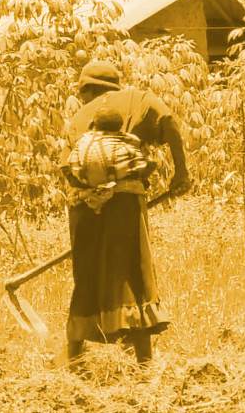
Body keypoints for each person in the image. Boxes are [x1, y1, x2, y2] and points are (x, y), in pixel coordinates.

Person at [61, 60, 190, 366]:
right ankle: (144, 362)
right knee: (132, 272)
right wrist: (181, 174)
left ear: (88, 89)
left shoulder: (78, 117)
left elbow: (67, 166)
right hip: (124, 203)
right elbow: (170, 124)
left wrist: (93, 197)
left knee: (87, 276)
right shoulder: (138, 99)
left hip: (82, 204)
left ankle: (74, 359)